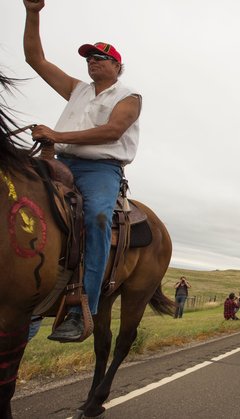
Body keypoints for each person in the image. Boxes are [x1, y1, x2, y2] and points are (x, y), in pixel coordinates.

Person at [23, 0, 142, 342]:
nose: (92, 61)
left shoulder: (129, 96)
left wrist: (57, 135)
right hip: (59, 160)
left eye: (99, 57)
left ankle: (80, 306)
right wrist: (33, 13)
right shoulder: (77, 90)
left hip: (100, 169)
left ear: (117, 66)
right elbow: (36, 59)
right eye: (89, 57)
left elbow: (112, 132)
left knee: (97, 219)